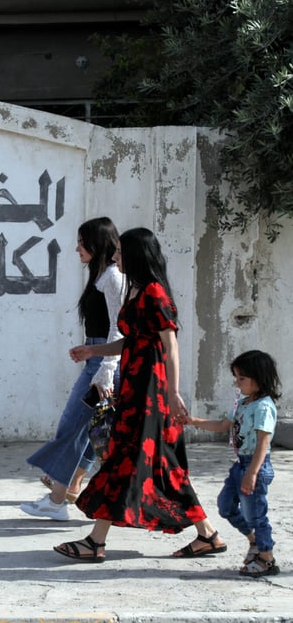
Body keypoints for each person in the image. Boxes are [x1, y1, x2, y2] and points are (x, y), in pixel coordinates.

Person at [52, 227, 225, 561]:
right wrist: (93, 352)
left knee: (125, 460)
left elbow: (170, 346)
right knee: (160, 465)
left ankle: (95, 542)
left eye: (120, 252)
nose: (115, 257)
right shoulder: (138, 291)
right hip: (134, 389)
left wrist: (173, 393)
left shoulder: (155, 293)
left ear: (135, 254)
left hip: (151, 393)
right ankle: (208, 535)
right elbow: (131, 341)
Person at [20, 217, 124, 521]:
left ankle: (55, 502)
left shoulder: (113, 278)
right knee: (88, 431)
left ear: (99, 243)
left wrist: (104, 369)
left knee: (72, 426)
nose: (77, 248)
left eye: (82, 242)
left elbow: (120, 327)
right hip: (97, 361)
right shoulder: (101, 276)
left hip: (103, 367)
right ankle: (69, 489)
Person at [185, 350, 282, 577]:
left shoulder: (264, 407)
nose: (237, 383)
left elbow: (262, 443)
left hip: (255, 467)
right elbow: (222, 425)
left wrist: (252, 473)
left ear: (259, 380)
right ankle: (255, 542)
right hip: (240, 465)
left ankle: (267, 558)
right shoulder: (242, 402)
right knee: (225, 505)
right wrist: (193, 421)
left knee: (256, 515)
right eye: (236, 377)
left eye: (242, 378)